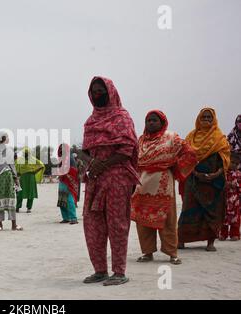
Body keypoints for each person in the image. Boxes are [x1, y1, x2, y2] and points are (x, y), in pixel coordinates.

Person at [81, 76, 139, 286]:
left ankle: (119, 272)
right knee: (92, 223)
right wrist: (90, 163)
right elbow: (87, 152)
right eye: (93, 92)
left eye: (100, 91)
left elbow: (127, 150)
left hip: (117, 177)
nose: (97, 95)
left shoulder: (122, 117)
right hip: (95, 178)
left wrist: (103, 164)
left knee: (117, 224)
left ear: (110, 92)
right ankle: (100, 270)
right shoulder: (90, 121)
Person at [131, 110, 197, 265]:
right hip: (143, 185)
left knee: (167, 219)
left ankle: (172, 253)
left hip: (163, 184)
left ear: (162, 122)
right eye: (148, 120)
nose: (151, 123)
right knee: (143, 220)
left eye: (155, 120)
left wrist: (176, 168)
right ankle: (147, 253)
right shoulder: (140, 141)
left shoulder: (171, 138)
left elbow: (190, 153)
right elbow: (133, 160)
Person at [178, 108, 231, 251]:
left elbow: (224, 160)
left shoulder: (220, 138)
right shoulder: (191, 137)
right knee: (188, 208)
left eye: (209, 117)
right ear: (198, 119)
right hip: (193, 180)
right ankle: (182, 240)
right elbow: (185, 158)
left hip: (214, 182)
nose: (206, 119)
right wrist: (195, 172)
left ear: (214, 119)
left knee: (212, 211)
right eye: (203, 117)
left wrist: (215, 174)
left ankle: (210, 243)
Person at [15, 147, 45, 213]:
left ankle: (29, 208)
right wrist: (18, 174)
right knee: (20, 193)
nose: (26, 154)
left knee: (30, 193)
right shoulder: (20, 160)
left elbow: (42, 165)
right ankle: (17, 207)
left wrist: (35, 171)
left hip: (31, 178)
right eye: (25, 153)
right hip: (22, 178)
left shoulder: (33, 159)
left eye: (27, 153)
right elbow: (16, 167)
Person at [55, 144, 79, 224]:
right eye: (60, 149)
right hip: (63, 179)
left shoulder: (68, 157)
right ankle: (66, 217)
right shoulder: (63, 157)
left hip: (68, 180)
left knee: (69, 199)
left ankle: (73, 218)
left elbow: (73, 170)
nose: (61, 151)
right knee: (62, 198)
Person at [220, 153, 241, 241]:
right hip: (224, 198)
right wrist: (224, 185)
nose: (234, 165)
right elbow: (219, 184)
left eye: (237, 164)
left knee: (235, 218)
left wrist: (235, 185)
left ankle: (234, 234)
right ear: (227, 161)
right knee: (223, 217)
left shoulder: (239, 174)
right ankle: (223, 234)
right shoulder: (223, 173)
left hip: (235, 200)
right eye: (232, 162)